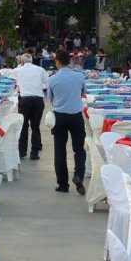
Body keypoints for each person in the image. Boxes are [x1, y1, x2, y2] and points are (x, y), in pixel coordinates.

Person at [48, 49, 86, 195]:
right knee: (79, 148)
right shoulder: (79, 76)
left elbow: (50, 99)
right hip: (76, 115)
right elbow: (82, 92)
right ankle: (78, 175)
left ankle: (63, 184)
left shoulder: (52, 79)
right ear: (69, 61)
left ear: (57, 61)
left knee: (60, 150)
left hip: (60, 117)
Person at [1, 53, 49, 160]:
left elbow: (7, 72)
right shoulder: (40, 69)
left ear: (21, 62)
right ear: (31, 61)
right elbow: (47, 83)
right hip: (38, 100)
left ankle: (22, 152)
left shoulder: (19, 70)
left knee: (23, 126)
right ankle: (34, 153)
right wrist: (38, 87)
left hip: (25, 100)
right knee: (35, 126)